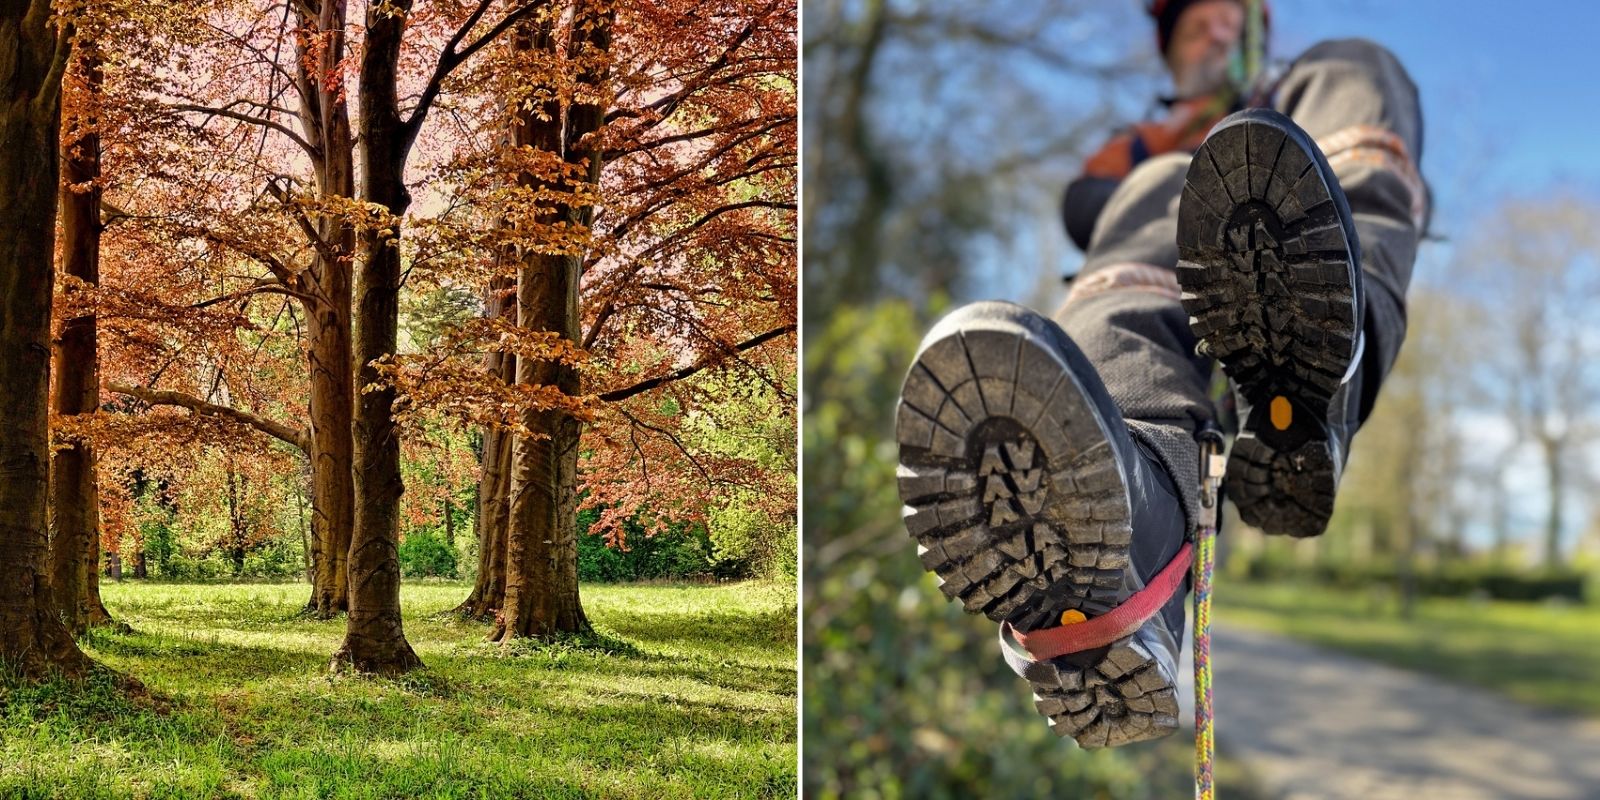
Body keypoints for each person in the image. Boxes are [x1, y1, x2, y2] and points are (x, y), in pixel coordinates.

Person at [894, 0, 1425, 748]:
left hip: (1303, 193)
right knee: (1154, 193)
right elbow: (1083, 204)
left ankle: (1325, 376)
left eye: (1230, 19)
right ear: (1171, 52)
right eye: (1198, 25)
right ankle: (1132, 529)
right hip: (1171, 289)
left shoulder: (1299, 86)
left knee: (1360, 68)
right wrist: (1183, 149)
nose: (1218, 31)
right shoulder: (1143, 141)